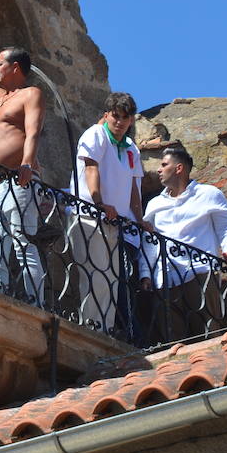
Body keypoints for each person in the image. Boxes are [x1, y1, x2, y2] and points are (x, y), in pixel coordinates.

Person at [139, 144, 227, 343]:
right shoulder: (154, 205)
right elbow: (149, 242)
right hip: (165, 278)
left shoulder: (208, 194)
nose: (159, 170)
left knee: (209, 335)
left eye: (164, 164)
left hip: (200, 271)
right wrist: (146, 273)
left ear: (179, 168)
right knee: (173, 340)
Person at [69, 91, 144, 335]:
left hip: (114, 222)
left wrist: (140, 219)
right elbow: (91, 168)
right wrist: (99, 202)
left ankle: (105, 329)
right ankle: (90, 329)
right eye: (116, 116)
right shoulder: (96, 134)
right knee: (94, 275)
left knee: (111, 279)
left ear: (131, 120)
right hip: (89, 215)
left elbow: (133, 187)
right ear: (106, 115)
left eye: (125, 117)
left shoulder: (131, 148)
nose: (120, 122)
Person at [0, 47, 47, 304]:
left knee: (22, 241)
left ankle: (35, 302)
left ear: (15, 67)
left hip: (18, 179)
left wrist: (28, 163)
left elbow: (32, 132)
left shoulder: (31, 94)